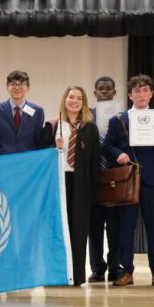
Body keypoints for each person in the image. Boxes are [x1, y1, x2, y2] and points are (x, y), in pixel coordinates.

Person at [102, 74, 154, 288]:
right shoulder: (119, 119)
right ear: (130, 95)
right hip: (128, 179)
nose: (141, 94)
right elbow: (107, 146)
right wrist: (117, 155)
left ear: (151, 93)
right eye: (136, 90)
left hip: (153, 179)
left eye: (145, 90)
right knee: (126, 228)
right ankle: (127, 271)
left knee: (153, 228)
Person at [44, 86, 100, 286]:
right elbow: (40, 157)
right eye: (71, 97)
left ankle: (76, 275)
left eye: (79, 98)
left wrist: (93, 192)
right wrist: (53, 148)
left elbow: (95, 162)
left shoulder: (90, 128)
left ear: (83, 102)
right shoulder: (52, 125)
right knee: (57, 228)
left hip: (81, 184)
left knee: (78, 229)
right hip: (58, 183)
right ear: (64, 99)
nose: (74, 101)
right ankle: (56, 274)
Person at [88, 76, 122, 283]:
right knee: (94, 226)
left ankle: (115, 266)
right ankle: (97, 267)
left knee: (115, 226)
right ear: (95, 93)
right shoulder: (86, 116)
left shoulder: (121, 117)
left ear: (114, 92)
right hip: (93, 177)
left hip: (115, 177)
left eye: (108, 89)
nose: (104, 92)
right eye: (100, 89)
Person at [0, 70, 45, 154]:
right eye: (13, 84)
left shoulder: (37, 111)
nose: (17, 87)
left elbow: (38, 140)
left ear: (28, 88)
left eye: (21, 84)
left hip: (28, 161)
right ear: (7, 87)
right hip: (3, 160)